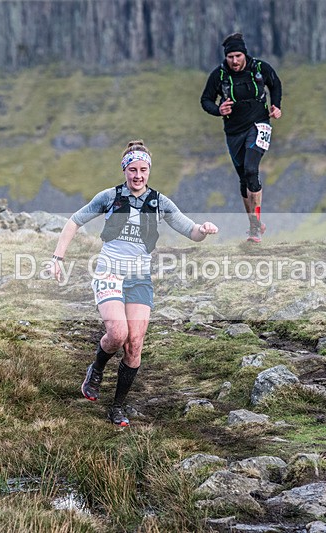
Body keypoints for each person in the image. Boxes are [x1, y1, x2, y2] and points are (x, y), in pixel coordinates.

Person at [49, 139, 219, 427]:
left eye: (143, 170)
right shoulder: (110, 197)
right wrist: (57, 258)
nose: (138, 175)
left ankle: (117, 407)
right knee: (117, 334)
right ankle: (96, 369)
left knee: (134, 344)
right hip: (109, 273)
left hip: (139, 278)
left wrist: (203, 229)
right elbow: (74, 222)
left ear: (149, 170)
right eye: (133, 170)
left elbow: (190, 230)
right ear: (124, 170)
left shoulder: (159, 202)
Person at [200, 32, 282, 243]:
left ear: (244, 54)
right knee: (243, 178)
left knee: (251, 169)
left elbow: (275, 84)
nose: (234, 61)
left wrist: (276, 105)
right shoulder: (219, 75)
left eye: (238, 56)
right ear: (226, 57)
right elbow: (206, 100)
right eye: (230, 57)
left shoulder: (259, 68)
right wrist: (218, 110)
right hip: (234, 131)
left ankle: (255, 229)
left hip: (259, 124)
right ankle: (255, 224)